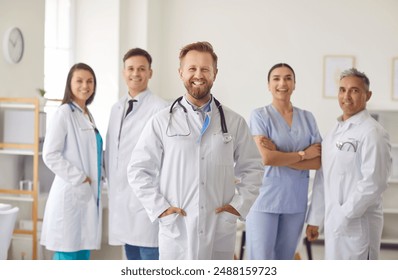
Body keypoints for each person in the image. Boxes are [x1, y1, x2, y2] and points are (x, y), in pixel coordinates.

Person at [127, 41, 263, 260]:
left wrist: (238, 207)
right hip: (177, 230)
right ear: (181, 73)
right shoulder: (161, 121)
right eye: (192, 68)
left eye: (205, 69)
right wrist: (160, 208)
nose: (198, 75)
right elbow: (138, 170)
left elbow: (254, 168)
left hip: (219, 227)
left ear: (215, 74)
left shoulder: (234, 122)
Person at [306, 68, 392, 259]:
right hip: (334, 223)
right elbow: (323, 177)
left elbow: (374, 182)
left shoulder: (373, 133)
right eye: (342, 90)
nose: (347, 96)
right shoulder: (333, 133)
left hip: (358, 224)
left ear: (367, 95)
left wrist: (344, 214)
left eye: (354, 90)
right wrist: (315, 219)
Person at [245, 63, 322, 260]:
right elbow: (267, 158)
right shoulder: (259, 115)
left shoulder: (308, 118)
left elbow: (318, 162)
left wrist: (280, 155)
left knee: (285, 260)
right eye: (276, 78)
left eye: (288, 78)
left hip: (295, 202)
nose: (282, 83)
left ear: (294, 84)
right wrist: (304, 154)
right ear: (268, 85)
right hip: (264, 199)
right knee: (260, 261)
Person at [105, 48, 168, 260]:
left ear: (150, 73)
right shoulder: (116, 108)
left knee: (150, 256)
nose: (135, 73)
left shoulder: (161, 108)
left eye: (142, 69)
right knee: (131, 261)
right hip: (122, 203)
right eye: (131, 68)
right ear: (123, 72)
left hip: (147, 201)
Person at [40, 63, 103, 260]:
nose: (85, 85)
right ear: (70, 84)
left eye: (89, 81)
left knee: (81, 254)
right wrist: (80, 178)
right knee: (68, 256)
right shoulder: (64, 113)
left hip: (86, 196)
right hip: (71, 195)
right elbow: (50, 154)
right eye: (79, 81)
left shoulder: (86, 115)